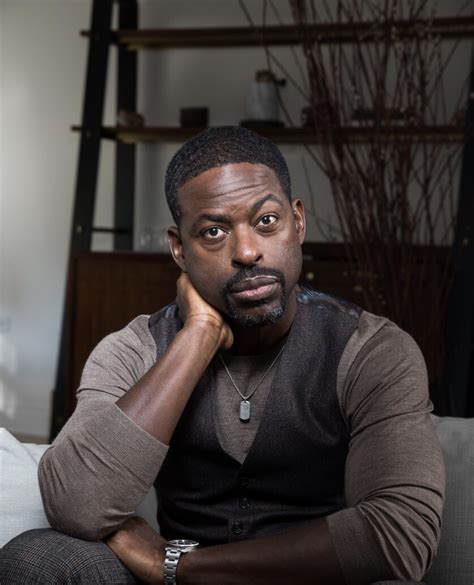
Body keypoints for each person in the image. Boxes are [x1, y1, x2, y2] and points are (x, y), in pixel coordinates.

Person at [0, 127, 444, 585]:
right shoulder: (132, 349)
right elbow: (75, 506)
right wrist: (197, 336)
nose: (248, 251)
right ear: (179, 249)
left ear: (298, 222)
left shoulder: (371, 349)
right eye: (213, 232)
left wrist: (179, 568)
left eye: (266, 221)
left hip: (304, 579)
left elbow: (401, 534)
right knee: (37, 557)